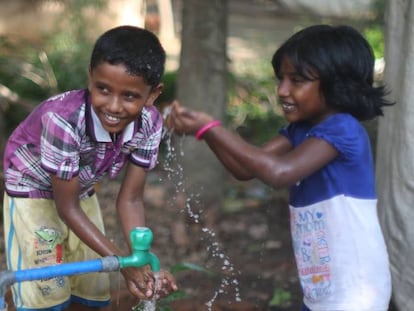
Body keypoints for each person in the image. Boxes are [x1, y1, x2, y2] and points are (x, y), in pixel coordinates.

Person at [166, 24, 394, 311]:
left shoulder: (343, 129)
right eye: (280, 79)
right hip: (322, 288)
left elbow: (278, 173)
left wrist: (212, 126)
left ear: (337, 83)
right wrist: (206, 133)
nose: (282, 90)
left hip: (357, 289)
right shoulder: (299, 130)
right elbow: (246, 169)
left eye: (297, 80)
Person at [3, 25, 177, 311]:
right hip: (31, 190)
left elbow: (131, 198)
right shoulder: (62, 120)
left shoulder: (150, 123)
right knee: (47, 291)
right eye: (103, 89)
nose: (113, 106)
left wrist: (139, 262)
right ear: (90, 78)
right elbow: (66, 207)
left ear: (152, 94)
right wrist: (124, 264)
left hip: (78, 189)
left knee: (93, 286)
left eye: (130, 96)